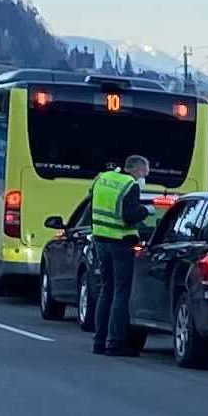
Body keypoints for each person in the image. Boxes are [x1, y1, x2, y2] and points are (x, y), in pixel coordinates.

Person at [89, 152, 151, 355]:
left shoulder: (102, 178)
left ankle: (99, 341)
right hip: (120, 243)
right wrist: (145, 211)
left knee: (105, 290)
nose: (144, 177)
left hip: (100, 240)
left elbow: (93, 203)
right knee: (120, 293)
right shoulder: (130, 185)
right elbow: (129, 216)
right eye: (144, 172)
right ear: (135, 169)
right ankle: (115, 343)